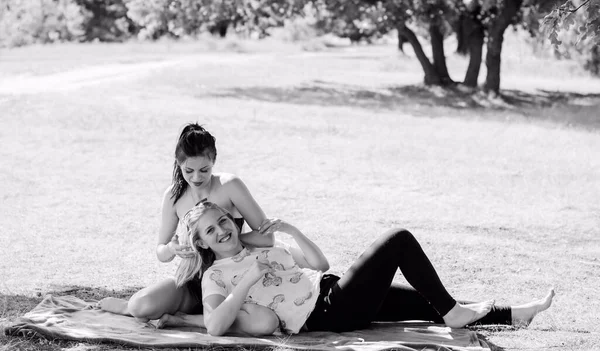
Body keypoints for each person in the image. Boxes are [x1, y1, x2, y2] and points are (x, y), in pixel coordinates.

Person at [155, 201, 555, 336]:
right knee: (397, 239)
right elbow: (213, 324)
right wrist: (247, 280)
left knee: (426, 303)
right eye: (211, 230)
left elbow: (319, 264)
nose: (222, 229)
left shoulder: (260, 246)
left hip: (330, 288)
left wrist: (292, 231)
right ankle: (455, 314)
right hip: (325, 313)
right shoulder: (215, 275)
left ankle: (516, 314)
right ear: (202, 242)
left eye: (224, 221)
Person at [99, 124, 277, 321]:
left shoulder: (229, 185)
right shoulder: (173, 197)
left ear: (214, 160)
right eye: (189, 170)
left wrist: (224, 240)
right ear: (179, 163)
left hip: (235, 280)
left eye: (204, 169)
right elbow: (161, 252)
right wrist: (172, 249)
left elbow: (267, 237)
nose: (196, 177)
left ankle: (189, 320)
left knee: (258, 321)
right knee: (142, 306)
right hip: (193, 282)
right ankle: (129, 307)